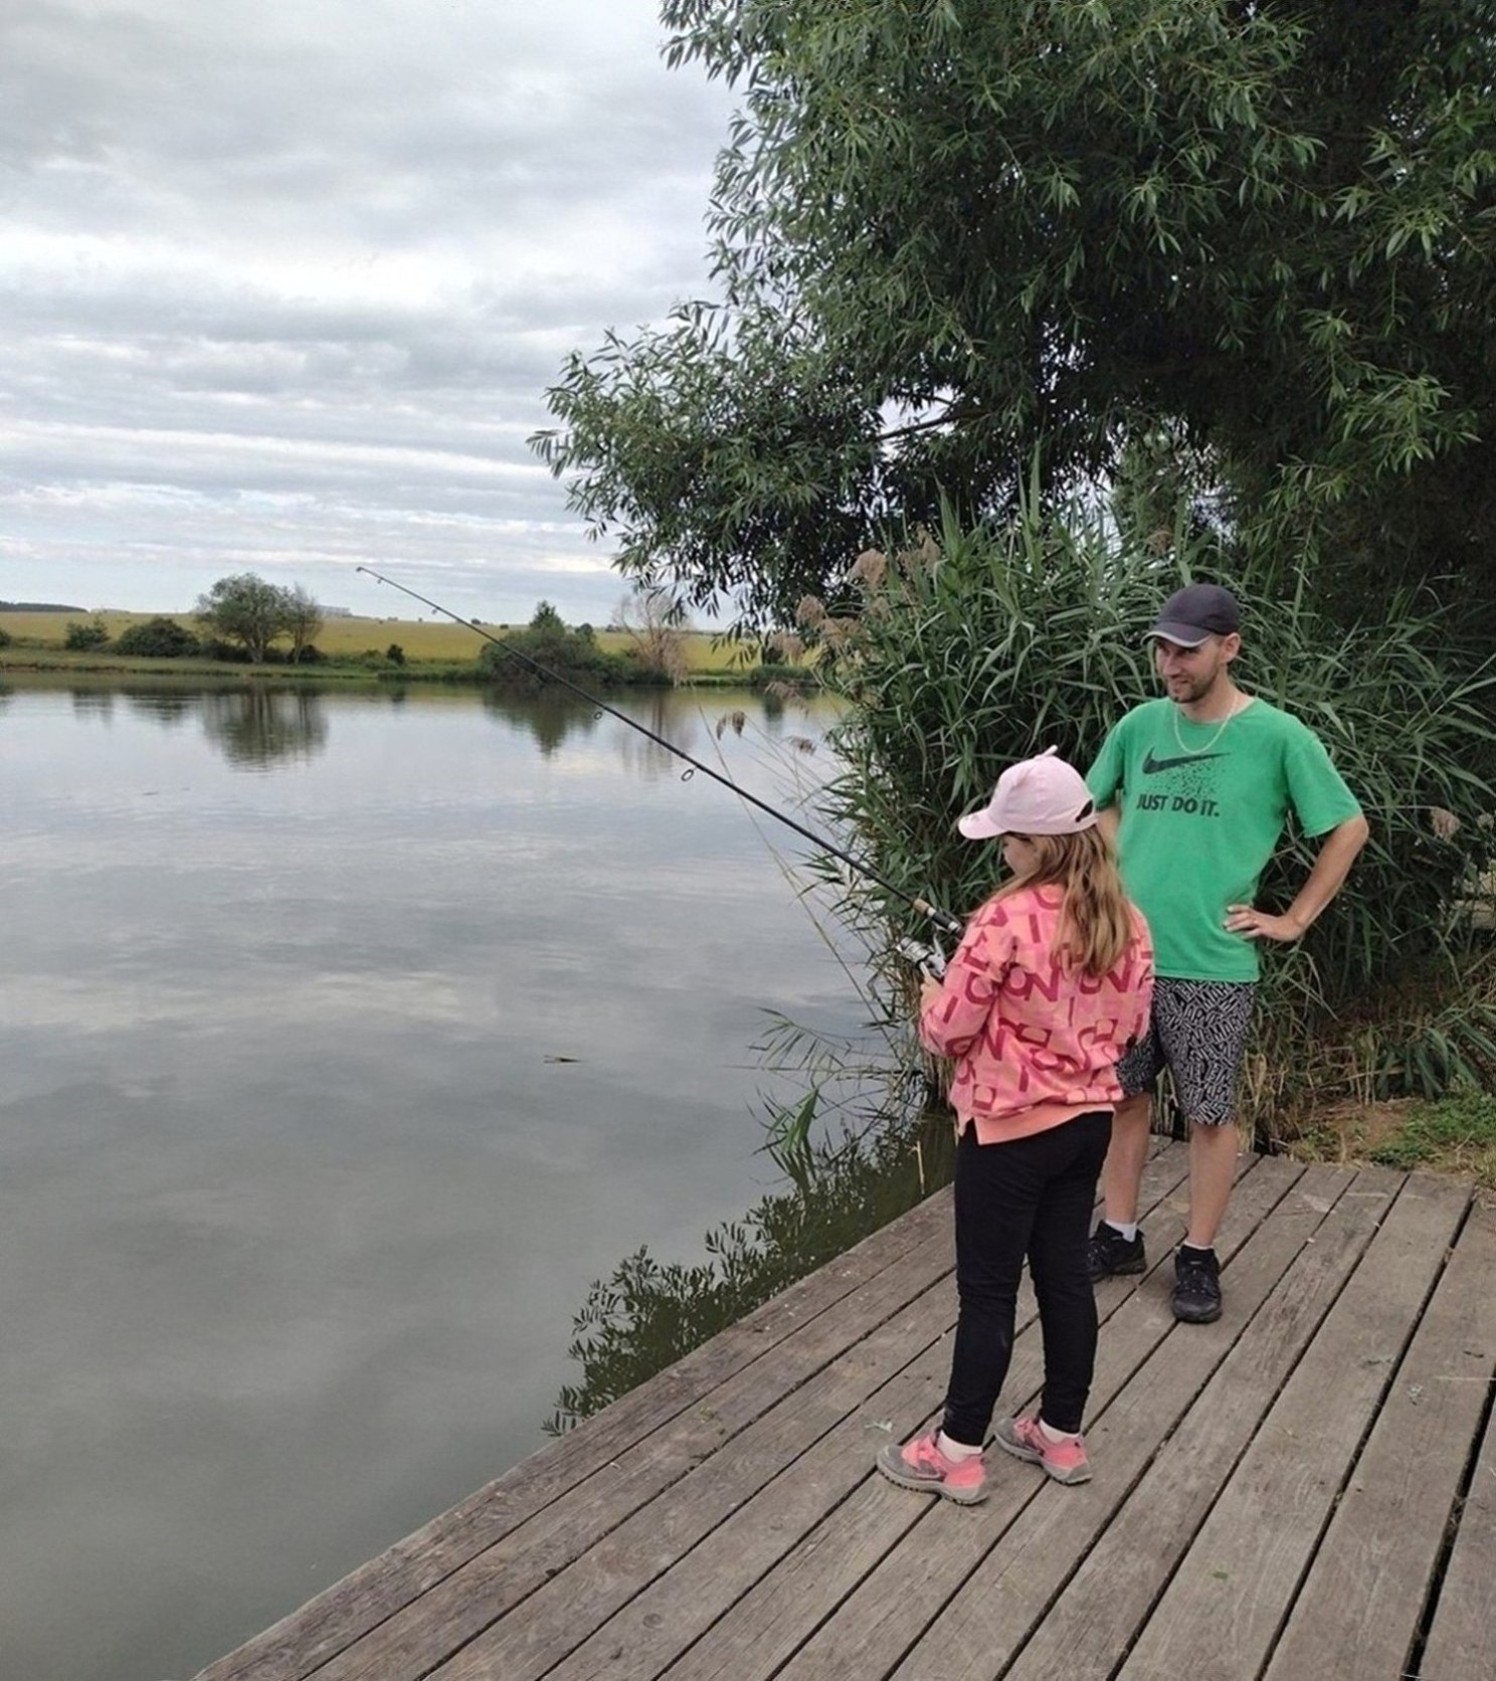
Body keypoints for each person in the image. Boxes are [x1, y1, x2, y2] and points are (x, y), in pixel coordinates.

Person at [1085, 583, 1369, 1324]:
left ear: (1229, 647)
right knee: (1123, 1098)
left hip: (1213, 964)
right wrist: (1122, 859)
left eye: (1186, 651)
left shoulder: (1278, 737)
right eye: (1161, 649)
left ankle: (1199, 1255)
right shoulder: (1140, 725)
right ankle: (1119, 1233)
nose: (1169, 664)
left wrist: (1295, 918)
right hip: (1128, 957)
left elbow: (1347, 827)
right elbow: (1094, 802)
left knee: (1209, 1113)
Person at [875, 750, 1153, 1502]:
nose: (1002, 850)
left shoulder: (1002, 919)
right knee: (1064, 1276)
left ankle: (957, 1451)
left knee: (988, 1291)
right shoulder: (1128, 921)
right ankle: (1060, 1434)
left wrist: (930, 995)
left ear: (1042, 845)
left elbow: (948, 1033)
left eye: (1009, 839)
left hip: (1007, 1135)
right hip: (1087, 1126)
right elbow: (1132, 1030)